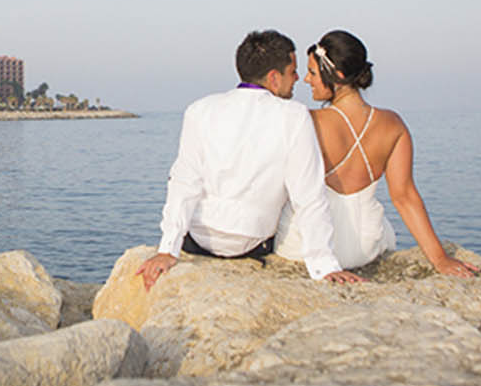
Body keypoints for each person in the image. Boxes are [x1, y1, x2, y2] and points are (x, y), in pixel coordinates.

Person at [137, 30, 363, 290]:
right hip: (252, 245)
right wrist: (324, 265)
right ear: (274, 78)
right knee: (298, 188)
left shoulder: (200, 110)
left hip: (197, 241)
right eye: (293, 72)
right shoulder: (294, 115)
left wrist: (168, 249)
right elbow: (309, 195)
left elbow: (184, 182)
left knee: (186, 171)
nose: (298, 79)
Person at [274, 30, 478, 277]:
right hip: (364, 248)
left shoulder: (306, 121)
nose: (306, 79)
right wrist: (440, 259)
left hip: (304, 248)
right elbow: (405, 196)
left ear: (336, 77)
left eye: (313, 73)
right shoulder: (393, 124)